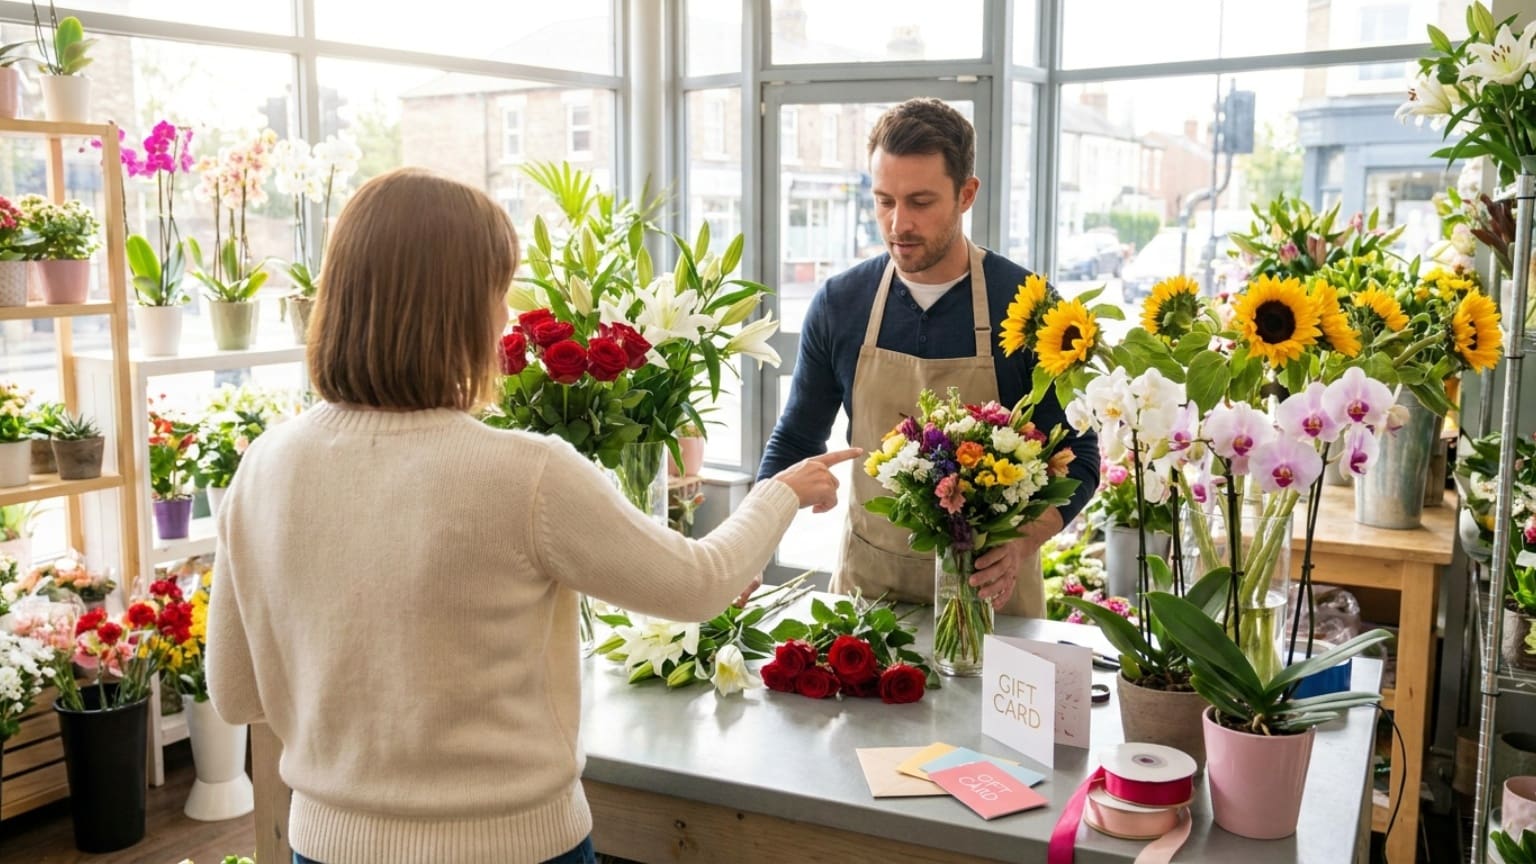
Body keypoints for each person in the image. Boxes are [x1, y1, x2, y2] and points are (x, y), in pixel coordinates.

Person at [206, 168, 859, 864]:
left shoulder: (264, 465)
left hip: (328, 846)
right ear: (455, 309)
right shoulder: (521, 473)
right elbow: (698, 585)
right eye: (497, 292)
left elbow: (235, 693)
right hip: (512, 846)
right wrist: (782, 491)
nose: (505, 318)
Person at [757, 98, 1099, 617]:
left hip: (991, 599)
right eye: (884, 201)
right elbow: (797, 437)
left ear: (967, 194)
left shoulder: (1028, 305)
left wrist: (1023, 543)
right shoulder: (841, 304)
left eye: (920, 202)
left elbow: (1080, 457)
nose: (898, 224)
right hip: (869, 595)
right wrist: (746, 548)